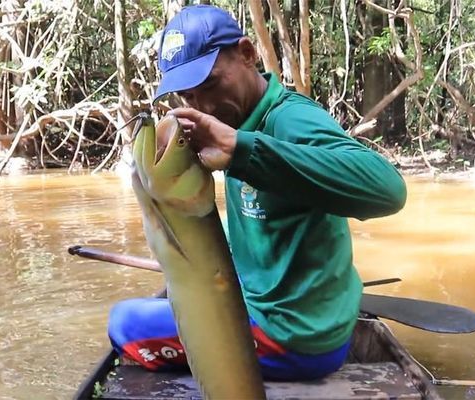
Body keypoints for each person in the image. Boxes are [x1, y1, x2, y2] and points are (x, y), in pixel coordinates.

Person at [108, 5, 407, 381]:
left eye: (212, 84)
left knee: (124, 324)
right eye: (188, 96)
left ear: (248, 54)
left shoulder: (290, 119)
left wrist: (244, 149)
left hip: (294, 339)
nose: (204, 106)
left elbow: (389, 189)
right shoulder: (238, 119)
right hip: (298, 318)